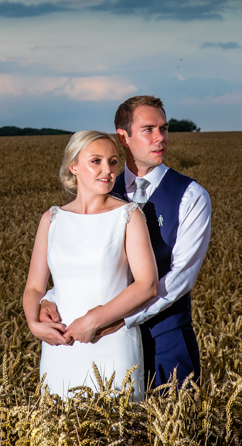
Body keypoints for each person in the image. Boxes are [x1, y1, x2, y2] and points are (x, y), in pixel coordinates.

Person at [40, 95, 212, 389]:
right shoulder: (102, 189)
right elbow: (85, 260)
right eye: (148, 130)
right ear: (124, 137)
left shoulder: (191, 195)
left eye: (164, 129)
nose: (161, 138)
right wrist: (52, 299)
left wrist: (122, 319)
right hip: (100, 341)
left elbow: (181, 277)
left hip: (164, 338)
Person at [23, 131, 158, 400]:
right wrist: (33, 323)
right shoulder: (51, 219)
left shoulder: (129, 216)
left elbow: (147, 286)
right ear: (73, 166)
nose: (107, 170)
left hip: (111, 340)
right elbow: (35, 286)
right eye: (95, 161)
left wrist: (93, 321)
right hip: (59, 345)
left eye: (113, 162)